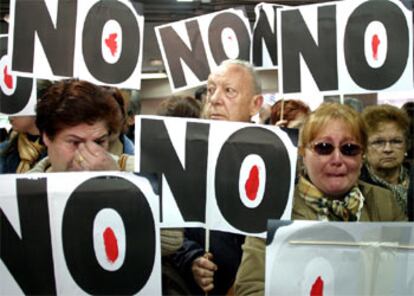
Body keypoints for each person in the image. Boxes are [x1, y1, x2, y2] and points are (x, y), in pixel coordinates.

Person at [234, 102, 407, 296]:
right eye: (324, 148)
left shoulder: (384, 203)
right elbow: (250, 288)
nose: (337, 159)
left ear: (362, 155)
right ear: (303, 153)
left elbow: (404, 277)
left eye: (349, 149)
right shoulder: (274, 208)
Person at [28, 79, 183, 257]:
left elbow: (172, 241)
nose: (88, 154)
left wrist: (117, 185)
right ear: (47, 137)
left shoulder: (136, 171)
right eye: (75, 142)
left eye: (99, 142)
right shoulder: (22, 189)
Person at [173, 59, 263, 295]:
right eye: (211, 90)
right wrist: (192, 258)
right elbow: (170, 228)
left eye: (229, 91)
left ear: (256, 104)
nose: (214, 99)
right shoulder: (183, 156)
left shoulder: (276, 161)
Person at [360, 104, 411, 214]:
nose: (388, 149)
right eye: (378, 142)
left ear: (406, 145)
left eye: (396, 141)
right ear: (364, 148)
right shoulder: (355, 187)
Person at [0, 80, 51, 173]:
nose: (10, 115)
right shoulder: (5, 150)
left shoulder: (59, 149)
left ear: (37, 106)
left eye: (17, 107)